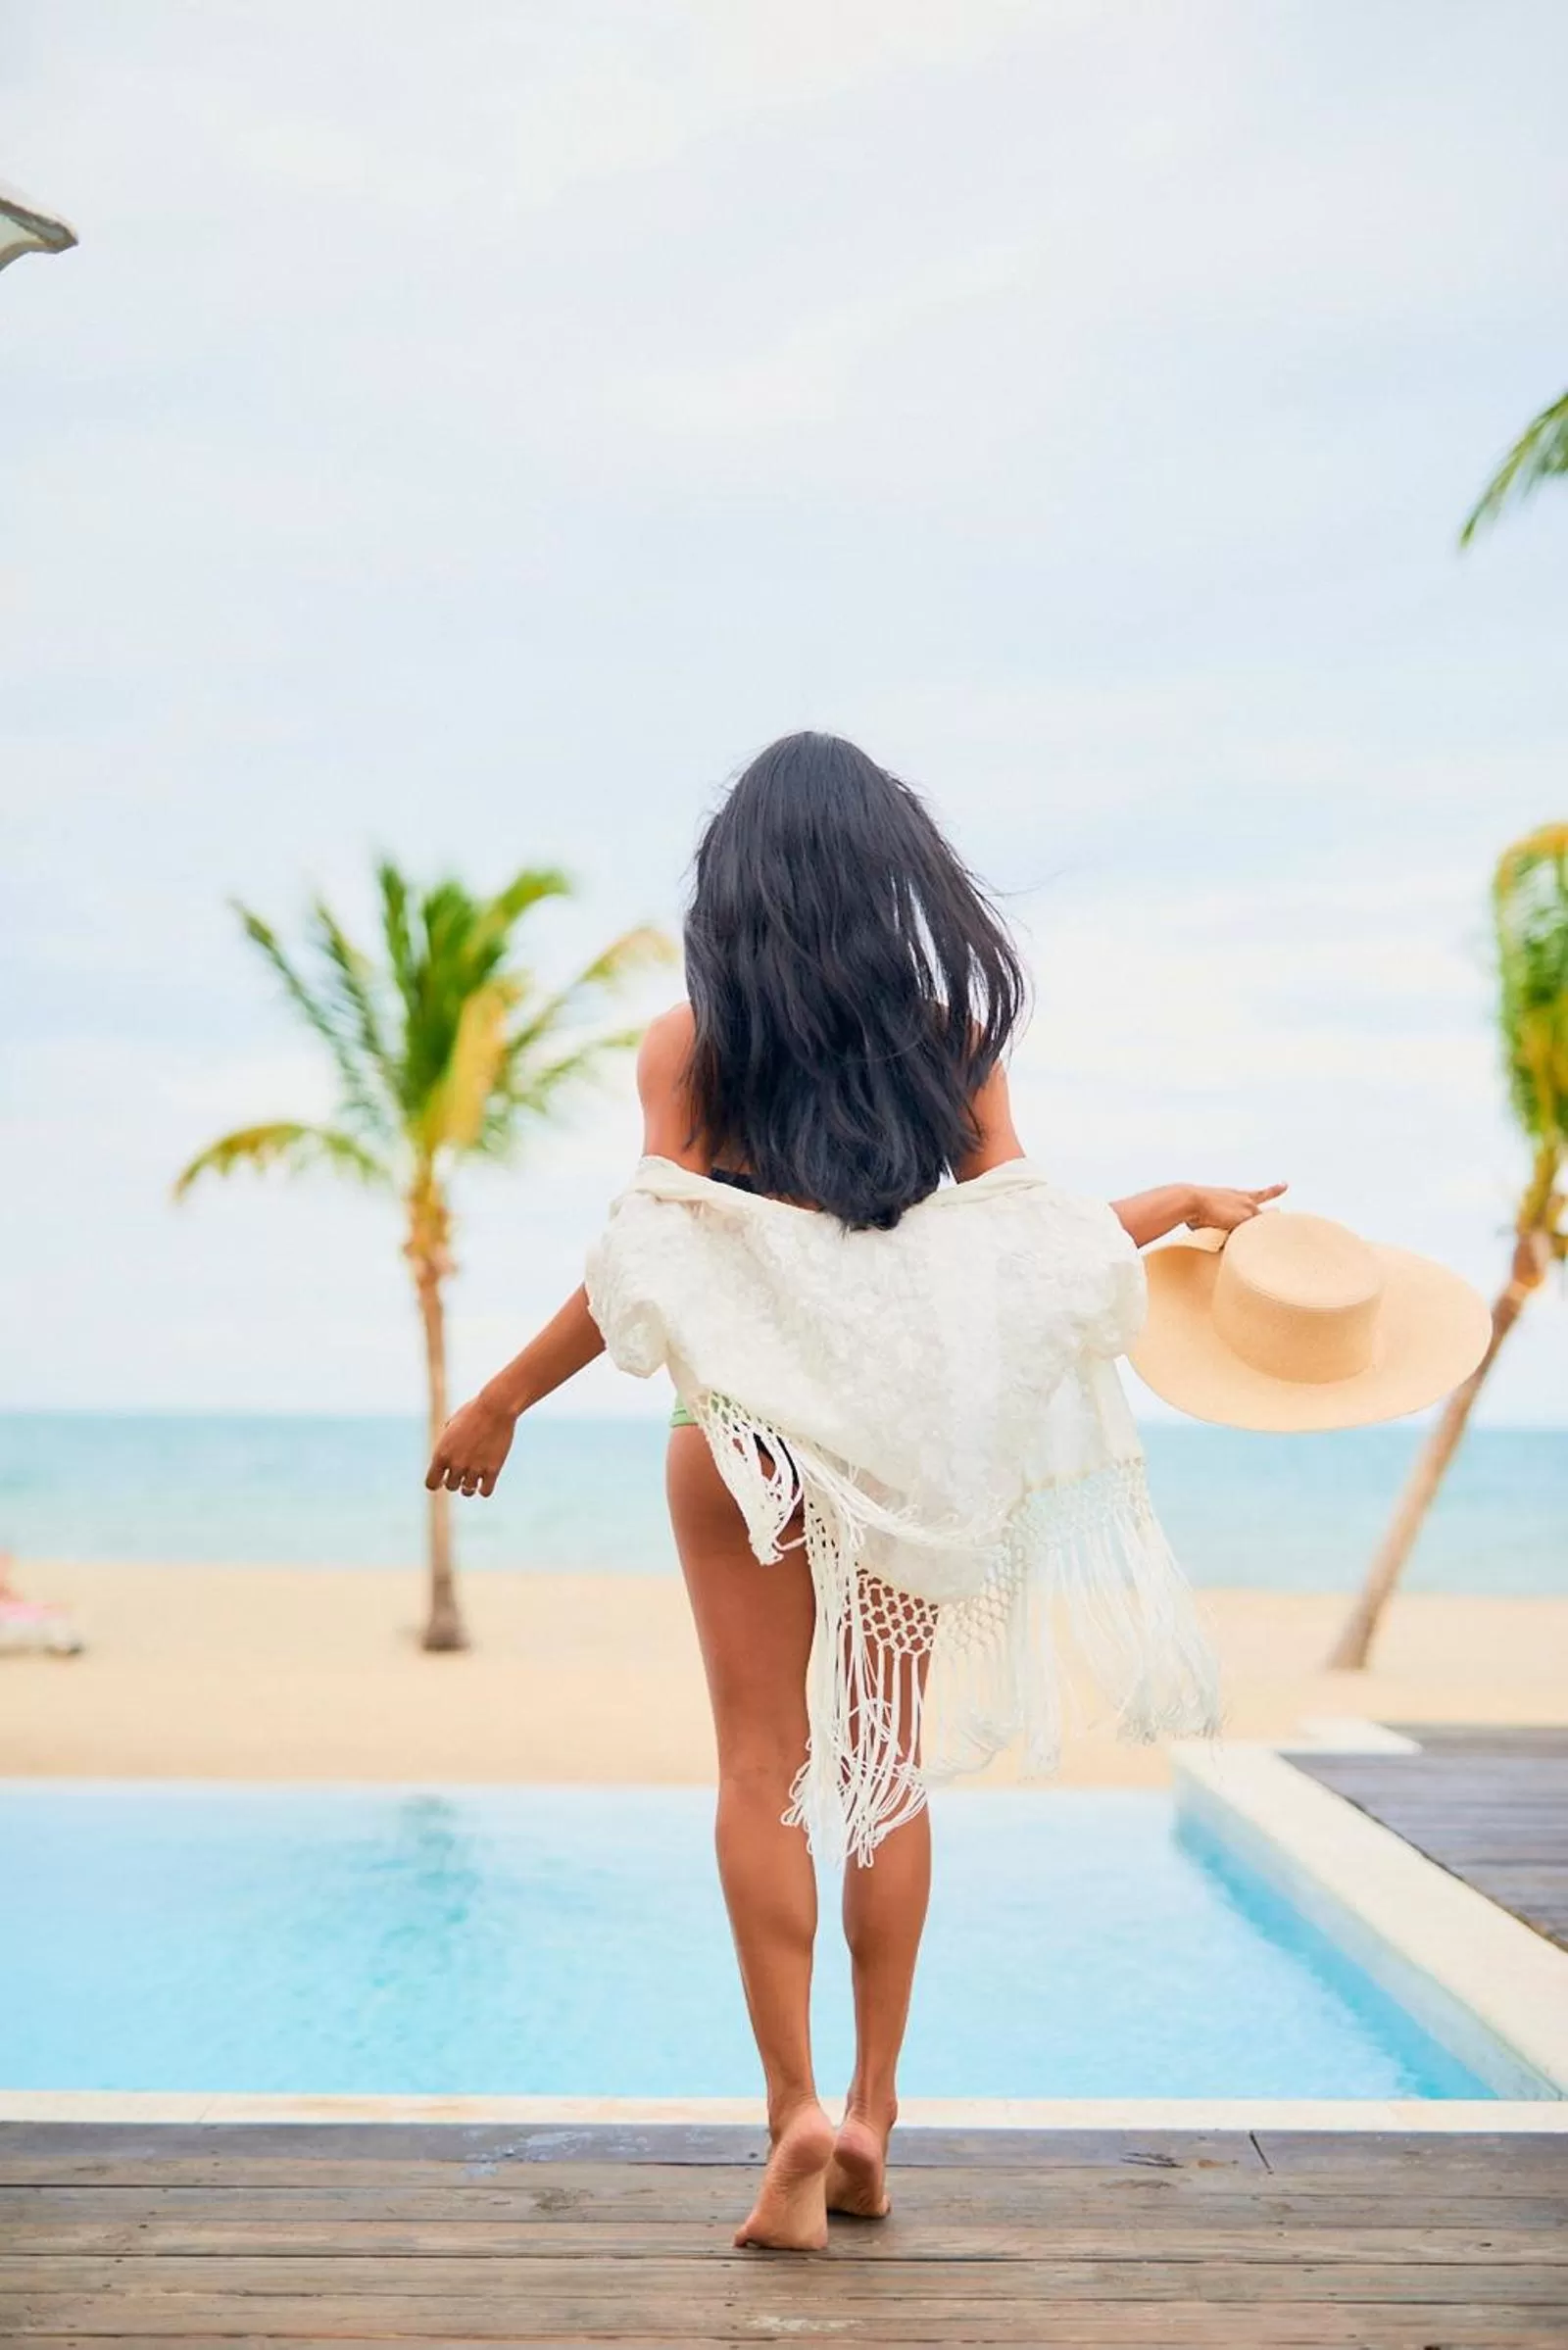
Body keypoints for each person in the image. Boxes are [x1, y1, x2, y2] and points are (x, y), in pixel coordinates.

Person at [427, 732, 1281, 2252]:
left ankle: (794, 2114)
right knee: (885, 1769)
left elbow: (654, 1253)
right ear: (895, 878)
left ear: (735, 887)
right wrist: (1179, 1204)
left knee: (761, 1765)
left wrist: (502, 1398)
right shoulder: (952, 1045)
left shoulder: (689, 1046)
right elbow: (1031, 1242)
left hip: (740, 1446)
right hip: (906, 1460)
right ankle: (877, 2119)